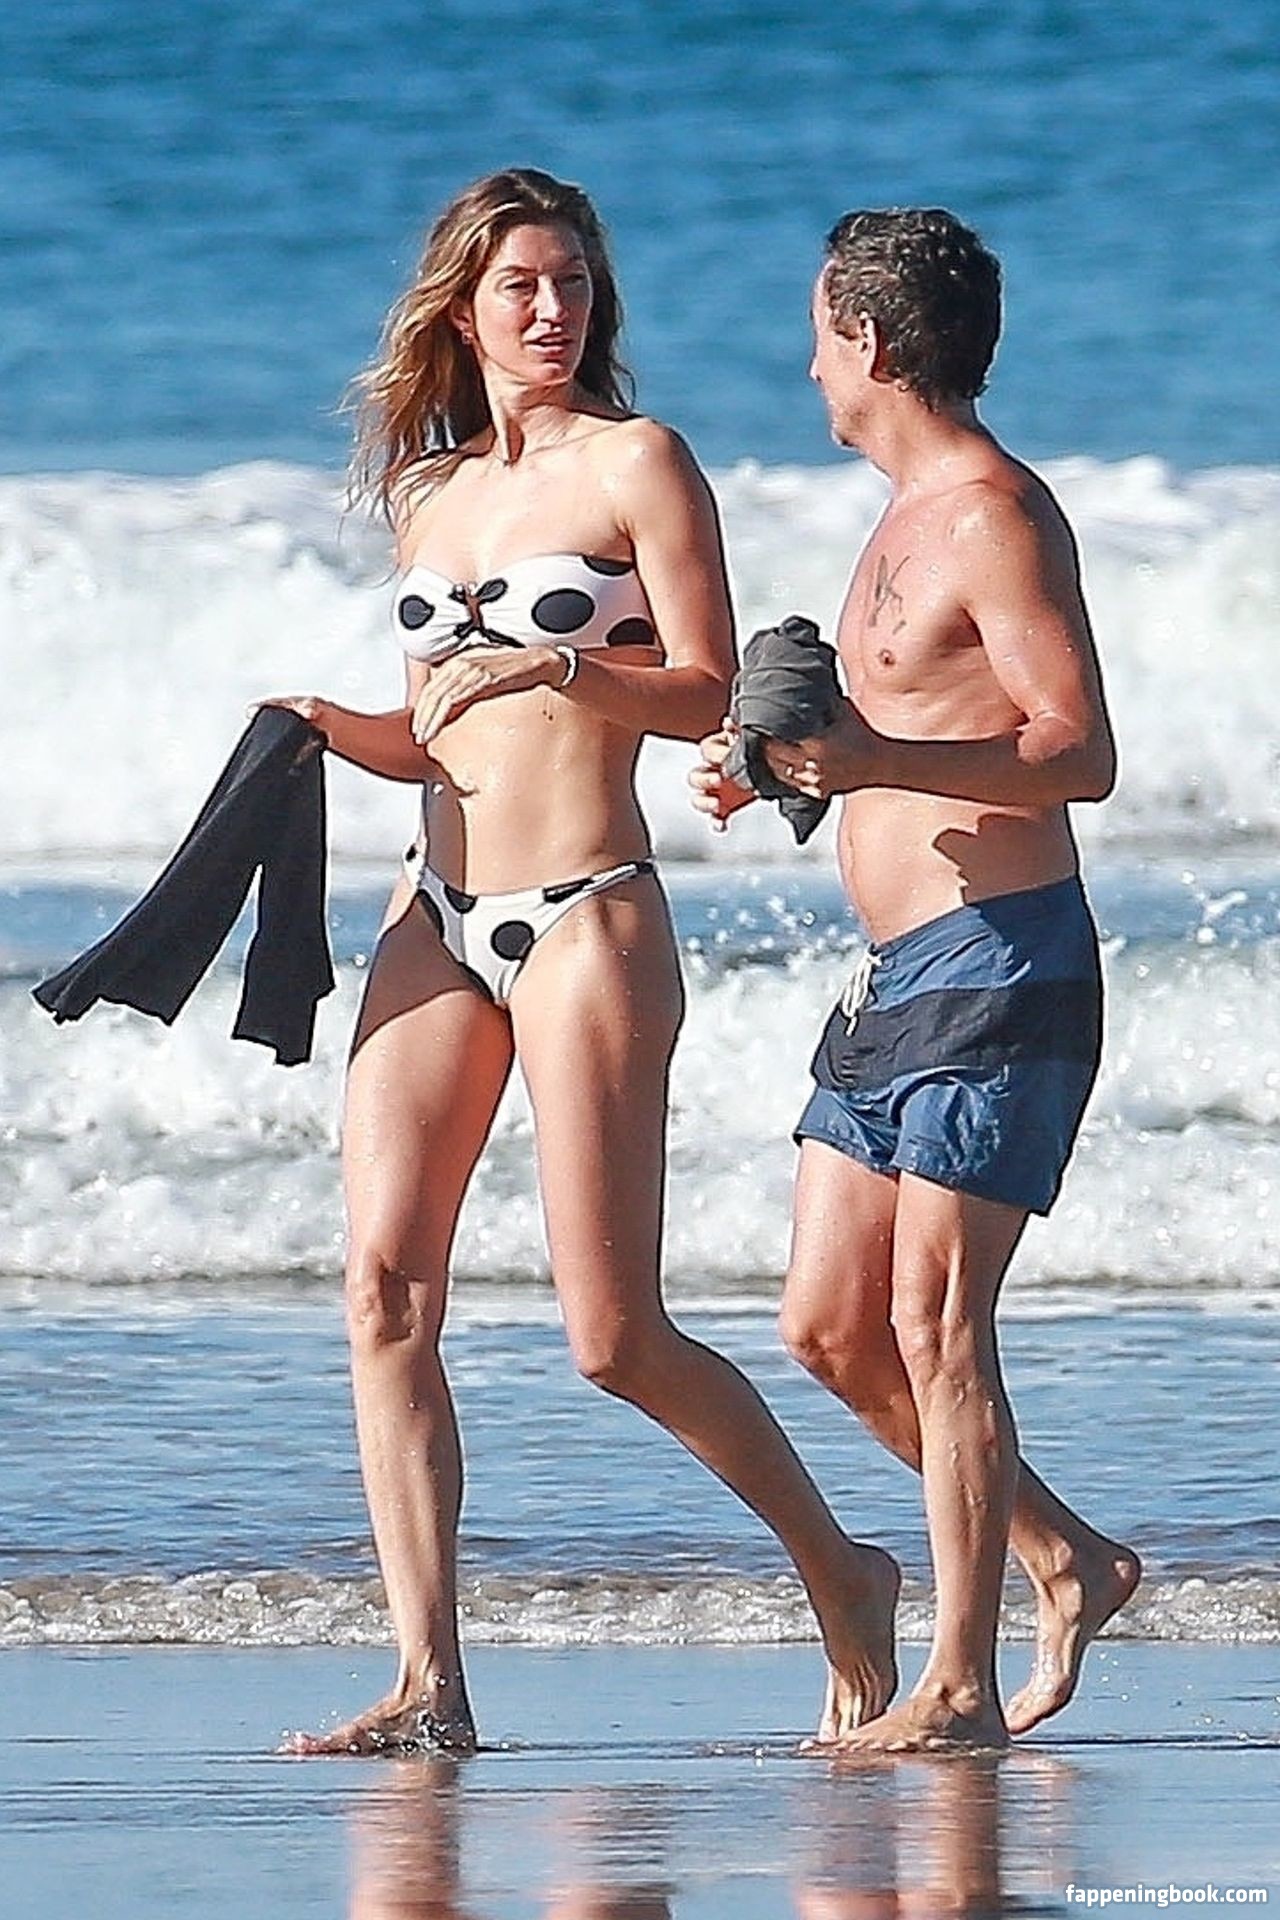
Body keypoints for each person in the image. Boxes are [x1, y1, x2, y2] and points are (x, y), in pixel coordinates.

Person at [268, 168, 899, 1755]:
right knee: (382, 1292)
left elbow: (708, 692)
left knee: (613, 1336)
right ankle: (430, 1682)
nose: (553, 310)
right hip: (435, 909)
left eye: (572, 283)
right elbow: (436, 730)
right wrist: (319, 729)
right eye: (521, 286)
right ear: (463, 307)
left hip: (586, 915)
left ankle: (843, 1570)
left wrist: (563, 660)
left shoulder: (641, 461)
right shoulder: (429, 493)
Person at [691, 208, 1140, 1751]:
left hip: (1003, 962)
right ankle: (1065, 1558)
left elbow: (1076, 749)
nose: (808, 365)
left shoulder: (993, 516)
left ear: (871, 342)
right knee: (829, 1325)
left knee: (937, 1321)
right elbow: (910, 731)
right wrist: (782, 772)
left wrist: (873, 757)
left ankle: (957, 1684)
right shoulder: (897, 515)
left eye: (820, 334)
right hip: (895, 975)